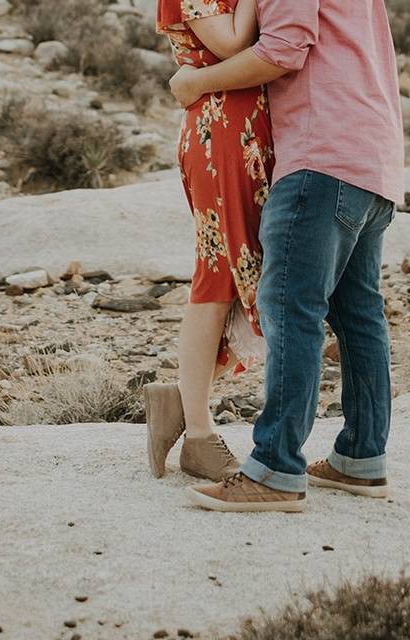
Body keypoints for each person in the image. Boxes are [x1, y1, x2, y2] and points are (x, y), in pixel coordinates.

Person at [169, 0, 405, 512]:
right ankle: (361, 459)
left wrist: (196, 84)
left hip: (321, 156)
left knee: (289, 307)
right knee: (359, 312)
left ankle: (275, 469)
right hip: (374, 154)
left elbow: (282, 50)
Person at [144, 0, 274, 483]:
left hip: (247, 130)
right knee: (220, 275)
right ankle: (197, 434)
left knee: (251, 277)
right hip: (221, 130)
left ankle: (180, 399)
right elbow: (234, 44)